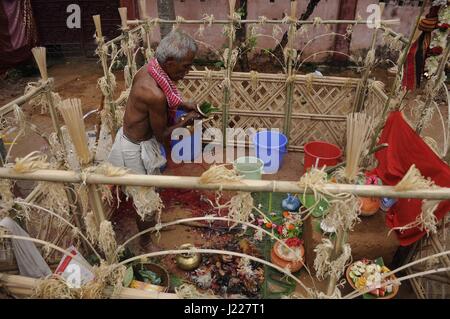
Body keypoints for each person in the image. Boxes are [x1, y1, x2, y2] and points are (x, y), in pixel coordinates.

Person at [108, 30, 201, 250]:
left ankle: (151, 226)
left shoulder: (150, 69)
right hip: (134, 148)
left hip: (142, 142)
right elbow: (163, 135)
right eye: (185, 66)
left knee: (153, 190)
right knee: (145, 200)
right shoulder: (154, 94)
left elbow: (169, 104)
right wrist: (186, 121)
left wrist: (184, 105)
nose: (188, 71)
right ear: (169, 62)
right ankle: (144, 242)